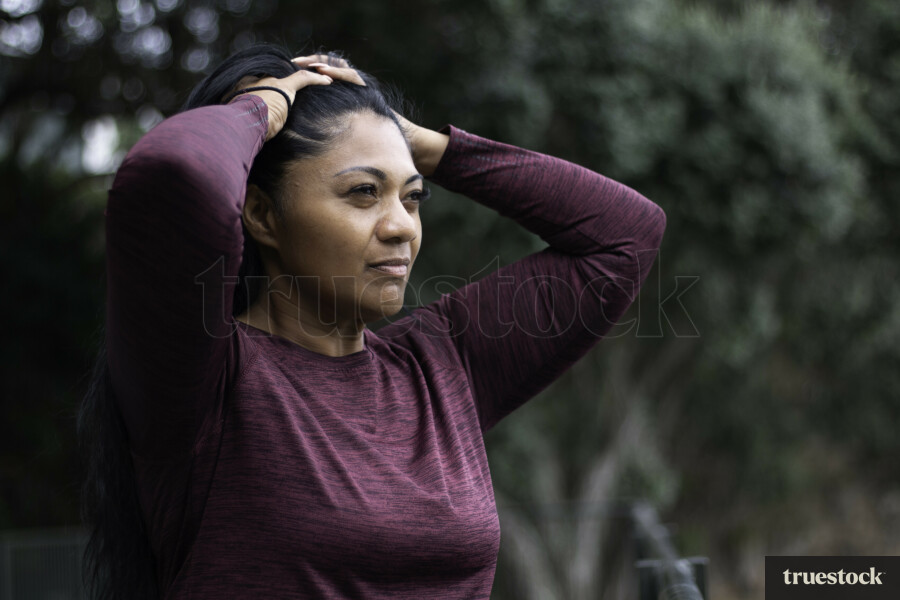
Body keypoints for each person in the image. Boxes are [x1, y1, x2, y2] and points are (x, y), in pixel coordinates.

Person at [79, 44, 666, 599]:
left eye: (412, 198)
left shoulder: (442, 366)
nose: (402, 227)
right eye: (363, 192)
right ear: (259, 214)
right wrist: (260, 108)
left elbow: (625, 235)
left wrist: (410, 140)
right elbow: (174, 173)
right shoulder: (200, 378)